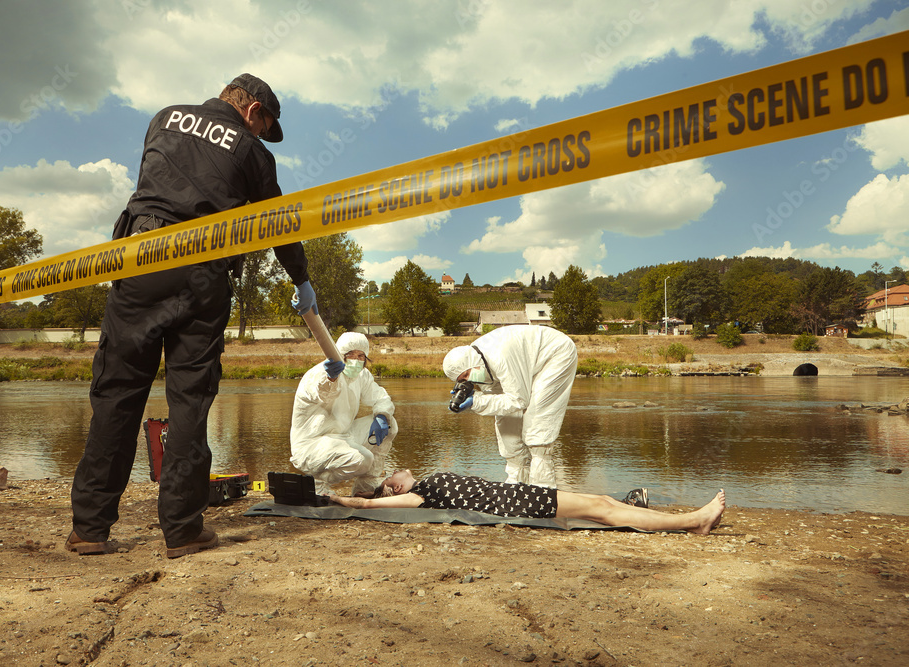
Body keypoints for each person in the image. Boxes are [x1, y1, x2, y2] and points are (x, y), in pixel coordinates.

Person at [68, 74, 316, 559]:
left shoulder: (163, 118)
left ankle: (90, 529)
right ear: (252, 111)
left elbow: (157, 180)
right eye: (266, 126)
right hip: (201, 273)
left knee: (117, 393)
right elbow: (278, 222)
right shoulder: (252, 153)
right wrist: (300, 278)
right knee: (189, 401)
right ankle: (182, 531)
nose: (264, 137)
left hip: (138, 259)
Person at [330, 470, 725, 535]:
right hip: (519, 506)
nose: (397, 470)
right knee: (604, 510)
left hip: (520, 494)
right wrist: (334, 499)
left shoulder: (428, 479)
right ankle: (693, 521)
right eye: (391, 478)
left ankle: (685, 519)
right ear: (394, 489)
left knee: (603, 500)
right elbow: (365, 507)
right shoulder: (420, 495)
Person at [443, 325, 577, 489]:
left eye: (466, 374)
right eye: (462, 379)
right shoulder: (477, 361)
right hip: (523, 360)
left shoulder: (500, 357)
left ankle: (542, 490)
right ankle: (516, 486)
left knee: (537, 425)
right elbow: (499, 402)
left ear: (471, 363)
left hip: (554, 354)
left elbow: (519, 400)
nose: (468, 380)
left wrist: (476, 401)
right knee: (506, 422)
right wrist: (474, 397)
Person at [290, 332, 398, 496]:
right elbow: (324, 393)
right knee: (363, 459)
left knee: (391, 424)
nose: (356, 360)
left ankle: (366, 485)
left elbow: (381, 398)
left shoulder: (361, 376)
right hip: (312, 444)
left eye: (361, 355)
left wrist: (382, 416)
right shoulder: (319, 374)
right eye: (350, 355)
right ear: (340, 355)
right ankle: (317, 484)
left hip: (341, 437)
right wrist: (330, 378)